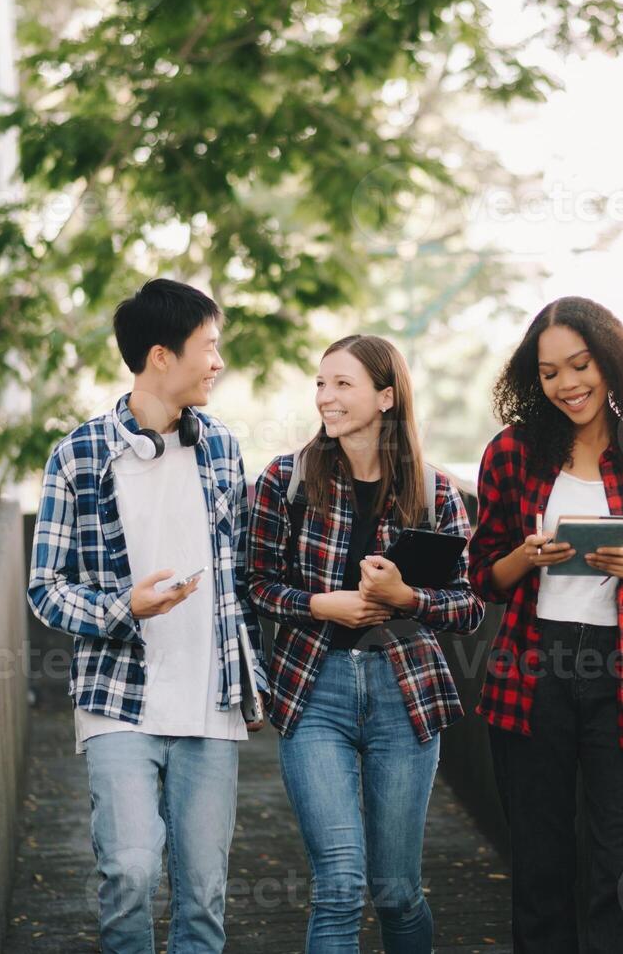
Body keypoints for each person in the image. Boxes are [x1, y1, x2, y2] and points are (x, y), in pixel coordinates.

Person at [27, 278, 267, 953]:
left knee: (203, 895)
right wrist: (122, 607)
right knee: (129, 872)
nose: (218, 362)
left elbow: (242, 574)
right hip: (119, 701)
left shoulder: (221, 448)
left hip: (209, 703)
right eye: (209, 348)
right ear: (161, 355)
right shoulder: (77, 456)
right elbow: (44, 588)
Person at [467, 296, 623, 953]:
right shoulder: (511, 454)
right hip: (530, 672)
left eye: (580, 365)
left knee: (619, 865)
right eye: (549, 373)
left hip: (622, 676)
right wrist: (525, 556)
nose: (567, 384)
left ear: (611, 362)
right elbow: (483, 577)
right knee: (539, 863)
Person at [247, 334, 485, 953]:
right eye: (321, 384)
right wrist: (320, 604)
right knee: (339, 885)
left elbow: (469, 605)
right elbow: (257, 587)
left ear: (386, 396)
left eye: (343, 384)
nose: (326, 397)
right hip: (313, 690)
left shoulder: (434, 493)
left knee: (396, 891)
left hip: (404, 696)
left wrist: (408, 599)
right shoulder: (286, 479)